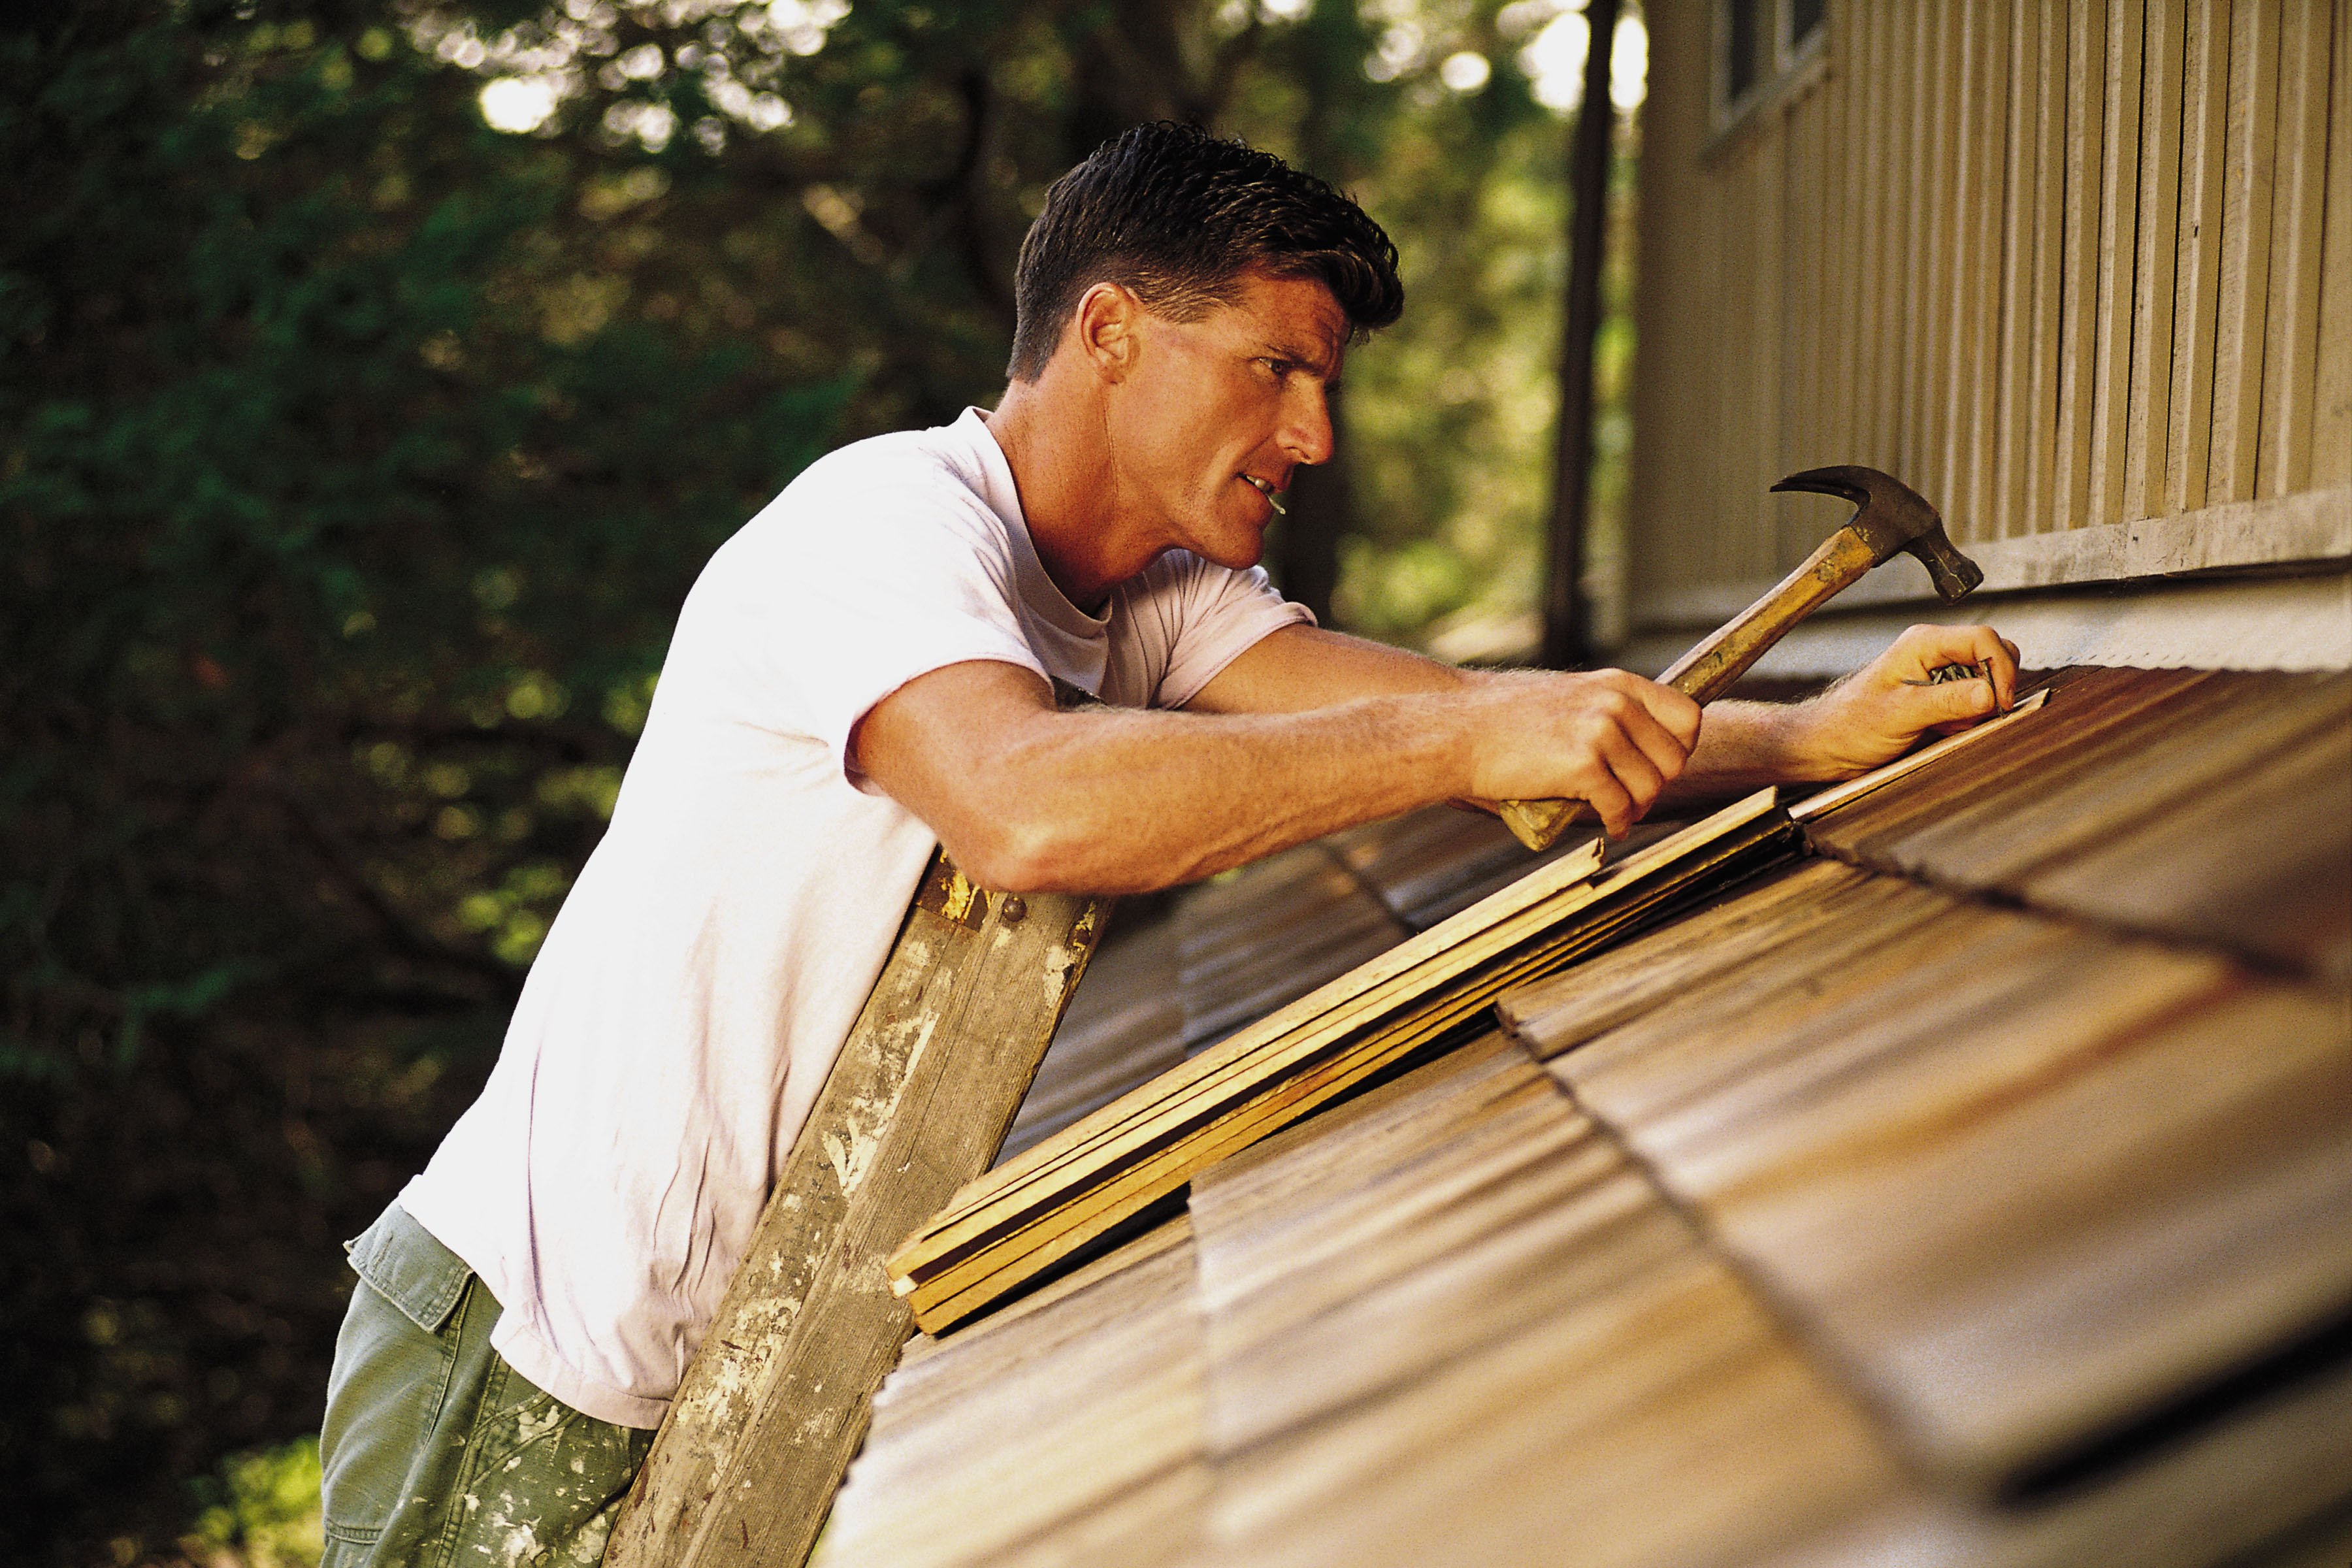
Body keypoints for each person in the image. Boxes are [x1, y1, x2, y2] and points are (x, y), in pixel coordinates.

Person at [316, 122, 2019, 1566]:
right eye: (1275, 370)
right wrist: (1459, 736)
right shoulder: (881, 527)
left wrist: (1800, 732)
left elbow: (1479, 709)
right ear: (1113, 332)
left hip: (730, 1363)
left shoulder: (1156, 604)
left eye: (1325, 386)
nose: (1314, 437)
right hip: (519, 1349)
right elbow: (1030, 800)